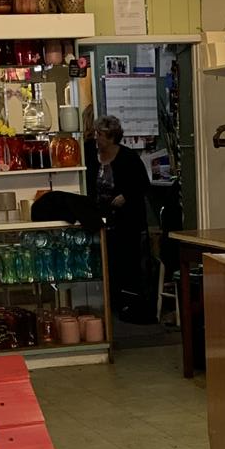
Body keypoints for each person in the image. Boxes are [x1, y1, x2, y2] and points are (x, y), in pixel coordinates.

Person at [93, 113, 153, 319]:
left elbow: (142, 185)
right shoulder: (91, 157)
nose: (96, 138)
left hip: (127, 221)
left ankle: (132, 305)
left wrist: (126, 196)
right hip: (100, 217)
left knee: (128, 262)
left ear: (111, 137)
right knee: (107, 262)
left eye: (100, 134)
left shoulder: (128, 158)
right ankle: (111, 302)